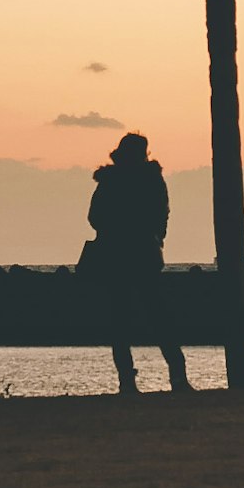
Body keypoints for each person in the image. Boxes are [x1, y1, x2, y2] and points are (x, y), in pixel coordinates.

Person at [79, 129, 191, 396]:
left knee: (122, 321)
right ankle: (176, 378)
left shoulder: (110, 181)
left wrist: (117, 231)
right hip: (142, 253)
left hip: (118, 254)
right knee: (159, 318)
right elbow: (162, 212)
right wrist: (155, 238)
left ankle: (128, 382)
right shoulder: (151, 180)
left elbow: (95, 217)